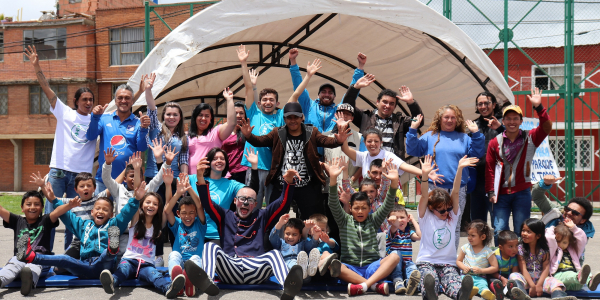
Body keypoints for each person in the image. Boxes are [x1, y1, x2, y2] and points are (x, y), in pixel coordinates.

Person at [241, 58, 351, 218]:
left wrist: (339, 140)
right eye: (289, 117)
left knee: (312, 217)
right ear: (284, 118)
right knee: (275, 216)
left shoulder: (311, 131)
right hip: (282, 184)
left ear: (302, 117)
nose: (292, 120)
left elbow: (327, 141)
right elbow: (260, 141)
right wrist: (248, 135)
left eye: (296, 117)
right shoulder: (278, 131)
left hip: (306, 185)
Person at [189, 168, 304, 300]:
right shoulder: (224, 215)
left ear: (255, 204)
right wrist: (200, 178)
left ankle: (289, 288)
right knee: (210, 246)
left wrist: (288, 182)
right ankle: (207, 281)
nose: (245, 202)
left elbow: (282, 203)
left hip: (256, 269)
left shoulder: (262, 215)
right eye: (242, 198)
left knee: (275, 254)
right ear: (234, 201)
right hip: (230, 269)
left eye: (250, 200)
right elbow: (207, 203)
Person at [25, 45, 97, 252]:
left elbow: (124, 105)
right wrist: (36, 65)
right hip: (58, 171)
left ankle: (69, 258)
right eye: (84, 99)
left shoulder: (97, 119)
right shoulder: (64, 112)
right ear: (75, 101)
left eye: (91, 100)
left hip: (80, 177)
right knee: (51, 216)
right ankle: (43, 256)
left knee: (74, 217)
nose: (88, 102)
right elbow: (46, 88)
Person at [17, 182, 145, 279]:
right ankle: (31, 256)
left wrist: (136, 199)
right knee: (64, 259)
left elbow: (126, 213)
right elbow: (68, 216)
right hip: (84, 266)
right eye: (98, 209)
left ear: (111, 214)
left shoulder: (114, 224)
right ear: (92, 212)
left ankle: (112, 249)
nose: (101, 211)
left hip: (105, 266)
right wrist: (54, 200)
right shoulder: (84, 226)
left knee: (106, 255)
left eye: (105, 210)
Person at [407, 106, 485, 249]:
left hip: (458, 187)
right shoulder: (430, 136)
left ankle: (450, 257)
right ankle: (432, 256)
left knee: (454, 224)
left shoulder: (464, 138)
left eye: (453, 117)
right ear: (440, 119)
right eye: (446, 117)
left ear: (457, 120)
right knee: (432, 222)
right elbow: (413, 149)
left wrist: (476, 134)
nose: (450, 120)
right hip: (434, 187)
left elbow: (477, 154)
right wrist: (412, 130)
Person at [486, 88, 552, 244]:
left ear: (521, 121)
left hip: (522, 192)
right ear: (503, 121)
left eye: (515, 118)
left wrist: (539, 107)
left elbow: (547, 127)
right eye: (508, 119)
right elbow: (489, 169)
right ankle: (502, 264)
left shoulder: (530, 138)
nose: (512, 122)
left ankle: (520, 263)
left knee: (521, 231)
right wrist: (490, 192)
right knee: (500, 230)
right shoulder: (494, 142)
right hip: (500, 194)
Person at [326, 158, 400, 296]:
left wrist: (394, 182)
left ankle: (363, 286)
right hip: (350, 268)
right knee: (332, 264)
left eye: (363, 208)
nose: (360, 211)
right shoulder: (344, 220)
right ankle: (373, 286)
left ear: (370, 208)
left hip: (372, 267)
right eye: (356, 208)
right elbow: (333, 203)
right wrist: (333, 179)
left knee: (395, 256)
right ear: (351, 207)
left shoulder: (374, 219)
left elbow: (389, 203)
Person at [99, 192, 186, 298]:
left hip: (147, 264)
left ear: (158, 208)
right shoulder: (136, 220)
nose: (151, 205)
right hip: (129, 260)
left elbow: (168, 205)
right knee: (123, 270)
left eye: (155, 204)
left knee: (155, 276)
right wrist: (137, 183)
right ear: (141, 205)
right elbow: (136, 198)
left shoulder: (158, 225)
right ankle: (111, 282)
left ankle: (169, 288)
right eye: (148, 202)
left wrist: (170, 187)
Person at [417, 155, 478, 300]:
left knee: (452, 280)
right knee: (429, 278)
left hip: (448, 262)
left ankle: (460, 293)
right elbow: (425, 196)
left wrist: (460, 169)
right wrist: (424, 176)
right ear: (432, 208)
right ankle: (431, 293)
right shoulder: (425, 216)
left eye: (448, 209)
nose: (446, 213)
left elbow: (455, 192)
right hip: (427, 261)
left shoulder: (452, 217)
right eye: (441, 210)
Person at [238, 45, 283, 208]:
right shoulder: (254, 113)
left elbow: (296, 97)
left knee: (272, 207)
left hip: (273, 169)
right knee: (251, 205)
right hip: (254, 167)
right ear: (259, 103)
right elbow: (248, 88)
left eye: (271, 100)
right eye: (264, 100)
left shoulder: (280, 117)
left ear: (277, 103)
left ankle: (270, 234)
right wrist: (244, 63)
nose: (268, 102)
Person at [0, 190, 68, 295]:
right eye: (28, 204)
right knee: (12, 265)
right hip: (20, 258)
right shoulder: (17, 220)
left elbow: (58, 211)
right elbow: (1, 210)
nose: (32, 207)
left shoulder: (45, 220)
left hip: (41, 259)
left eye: (37, 204)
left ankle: (28, 279)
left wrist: (70, 205)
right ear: (22, 208)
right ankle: (1, 280)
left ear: (42, 208)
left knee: (33, 267)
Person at [86, 84, 151, 194]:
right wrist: (94, 117)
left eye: (127, 98)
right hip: (103, 181)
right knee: (101, 211)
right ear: (115, 101)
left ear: (132, 101)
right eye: (120, 98)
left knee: (125, 212)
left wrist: (144, 129)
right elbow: (90, 136)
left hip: (128, 183)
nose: (123, 101)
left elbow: (142, 148)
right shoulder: (104, 119)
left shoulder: (138, 122)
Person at [288, 49, 366, 138]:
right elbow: (298, 86)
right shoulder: (309, 106)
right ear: (318, 95)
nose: (326, 95)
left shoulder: (339, 110)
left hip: (330, 148)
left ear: (334, 97)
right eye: (323, 92)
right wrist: (293, 62)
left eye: (330, 93)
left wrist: (360, 66)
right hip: (311, 149)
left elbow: (352, 93)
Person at [343, 73, 424, 158]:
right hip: (368, 165)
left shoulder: (400, 121)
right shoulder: (366, 117)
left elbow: (419, 121)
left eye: (391, 104)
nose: (387, 106)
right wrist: (355, 88)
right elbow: (346, 108)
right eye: (385, 102)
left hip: (391, 167)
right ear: (377, 102)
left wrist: (411, 102)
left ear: (395, 107)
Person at [187, 148, 248, 244]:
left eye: (222, 159)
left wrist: (254, 168)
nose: (219, 161)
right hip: (194, 232)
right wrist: (165, 163)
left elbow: (250, 192)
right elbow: (167, 180)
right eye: (215, 159)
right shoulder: (193, 178)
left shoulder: (231, 184)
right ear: (208, 162)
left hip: (217, 235)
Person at [508, 218, 576, 300]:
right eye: (523, 230)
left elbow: (546, 269)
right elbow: (523, 269)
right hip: (526, 279)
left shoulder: (544, 249)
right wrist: (532, 286)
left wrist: (539, 285)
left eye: (528, 232)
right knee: (514, 275)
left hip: (541, 279)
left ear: (538, 235)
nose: (524, 234)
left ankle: (559, 296)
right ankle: (521, 294)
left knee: (556, 282)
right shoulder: (520, 248)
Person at [164, 175, 207, 297]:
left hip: (194, 262)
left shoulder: (200, 224)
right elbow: (167, 210)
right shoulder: (177, 224)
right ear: (178, 213)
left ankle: (190, 281)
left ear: (196, 214)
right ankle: (177, 281)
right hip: (180, 262)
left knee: (195, 260)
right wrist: (178, 193)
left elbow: (199, 205)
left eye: (191, 213)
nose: (187, 216)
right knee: (173, 254)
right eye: (184, 213)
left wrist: (189, 188)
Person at [471, 91, 505, 223]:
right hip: (477, 180)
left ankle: (498, 245)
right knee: (477, 223)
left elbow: (513, 142)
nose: (483, 106)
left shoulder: (503, 123)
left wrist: (501, 128)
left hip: (497, 180)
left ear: (494, 104)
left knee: (499, 224)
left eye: (487, 103)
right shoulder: (473, 126)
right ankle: (480, 245)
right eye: (480, 104)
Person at [187, 87, 236, 175]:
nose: (203, 118)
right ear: (195, 117)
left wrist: (229, 100)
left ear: (211, 119)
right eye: (200, 115)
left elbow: (231, 123)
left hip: (212, 179)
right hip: (192, 179)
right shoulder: (186, 136)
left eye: (207, 116)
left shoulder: (215, 133)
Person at [532, 174, 595, 240]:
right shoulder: (556, 212)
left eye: (575, 213)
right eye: (567, 209)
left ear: (583, 220)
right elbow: (538, 197)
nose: (569, 213)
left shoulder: (583, 234)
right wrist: (545, 184)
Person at [546, 220, 600, 292]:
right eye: (557, 241)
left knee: (586, 273)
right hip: (558, 279)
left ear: (569, 242)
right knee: (569, 275)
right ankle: (579, 276)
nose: (560, 244)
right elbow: (549, 237)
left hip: (576, 283)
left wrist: (574, 228)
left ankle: (590, 282)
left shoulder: (573, 250)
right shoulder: (553, 250)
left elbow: (582, 239)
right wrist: (554, 228)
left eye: (564, 242)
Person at [456, 220, 498, 300]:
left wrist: (481, 270)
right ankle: (469, 292)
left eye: (473, 235)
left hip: (480, 277)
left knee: (482, 285)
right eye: (468, 235)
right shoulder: (466, 247)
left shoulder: (487, 251)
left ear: (482, 237)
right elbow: (458, 261)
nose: (469, 238)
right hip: (466, 276)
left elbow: (495, 267)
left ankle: (486, 294)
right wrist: (463, 267)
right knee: (461, 283)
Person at [270, 214, 320, 279]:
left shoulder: (302, 243)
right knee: (292, 264)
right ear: (283, 233)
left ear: (299, 236)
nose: (290, 237)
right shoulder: (280, 243)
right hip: (287, 266)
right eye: (287, 234)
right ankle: (301, 269)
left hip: (304, 274)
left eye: (294, 234)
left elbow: (311, 245)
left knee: (306, 272)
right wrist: (280, 223)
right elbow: (273, 237)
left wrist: (316, 235)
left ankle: (309, 268)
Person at [386, 205, 421, 295]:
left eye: (402, 217)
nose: (399, 220)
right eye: (396, 218)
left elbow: (419, 236)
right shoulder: (392, 231)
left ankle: (411, 284)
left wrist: (412, 220)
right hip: (394, 263)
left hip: (407, 262)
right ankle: (398, 283)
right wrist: (393, 222)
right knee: (396, 254)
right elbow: (394, 227)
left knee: (413, 269)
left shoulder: (409, 232)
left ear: (407, 219)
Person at [489, 230, 520, 300]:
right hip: (495, 275)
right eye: (511, 246)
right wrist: (502, 278)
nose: (515, 249)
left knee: (514, 282)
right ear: (501, 247)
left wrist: (509, 280)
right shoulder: (494, 255)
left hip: (508, 276)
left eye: (516, 245)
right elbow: (492, 271)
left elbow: (514, 272)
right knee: (492, 281)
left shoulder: (514, 256)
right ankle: (497, 291)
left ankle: (511, 292)